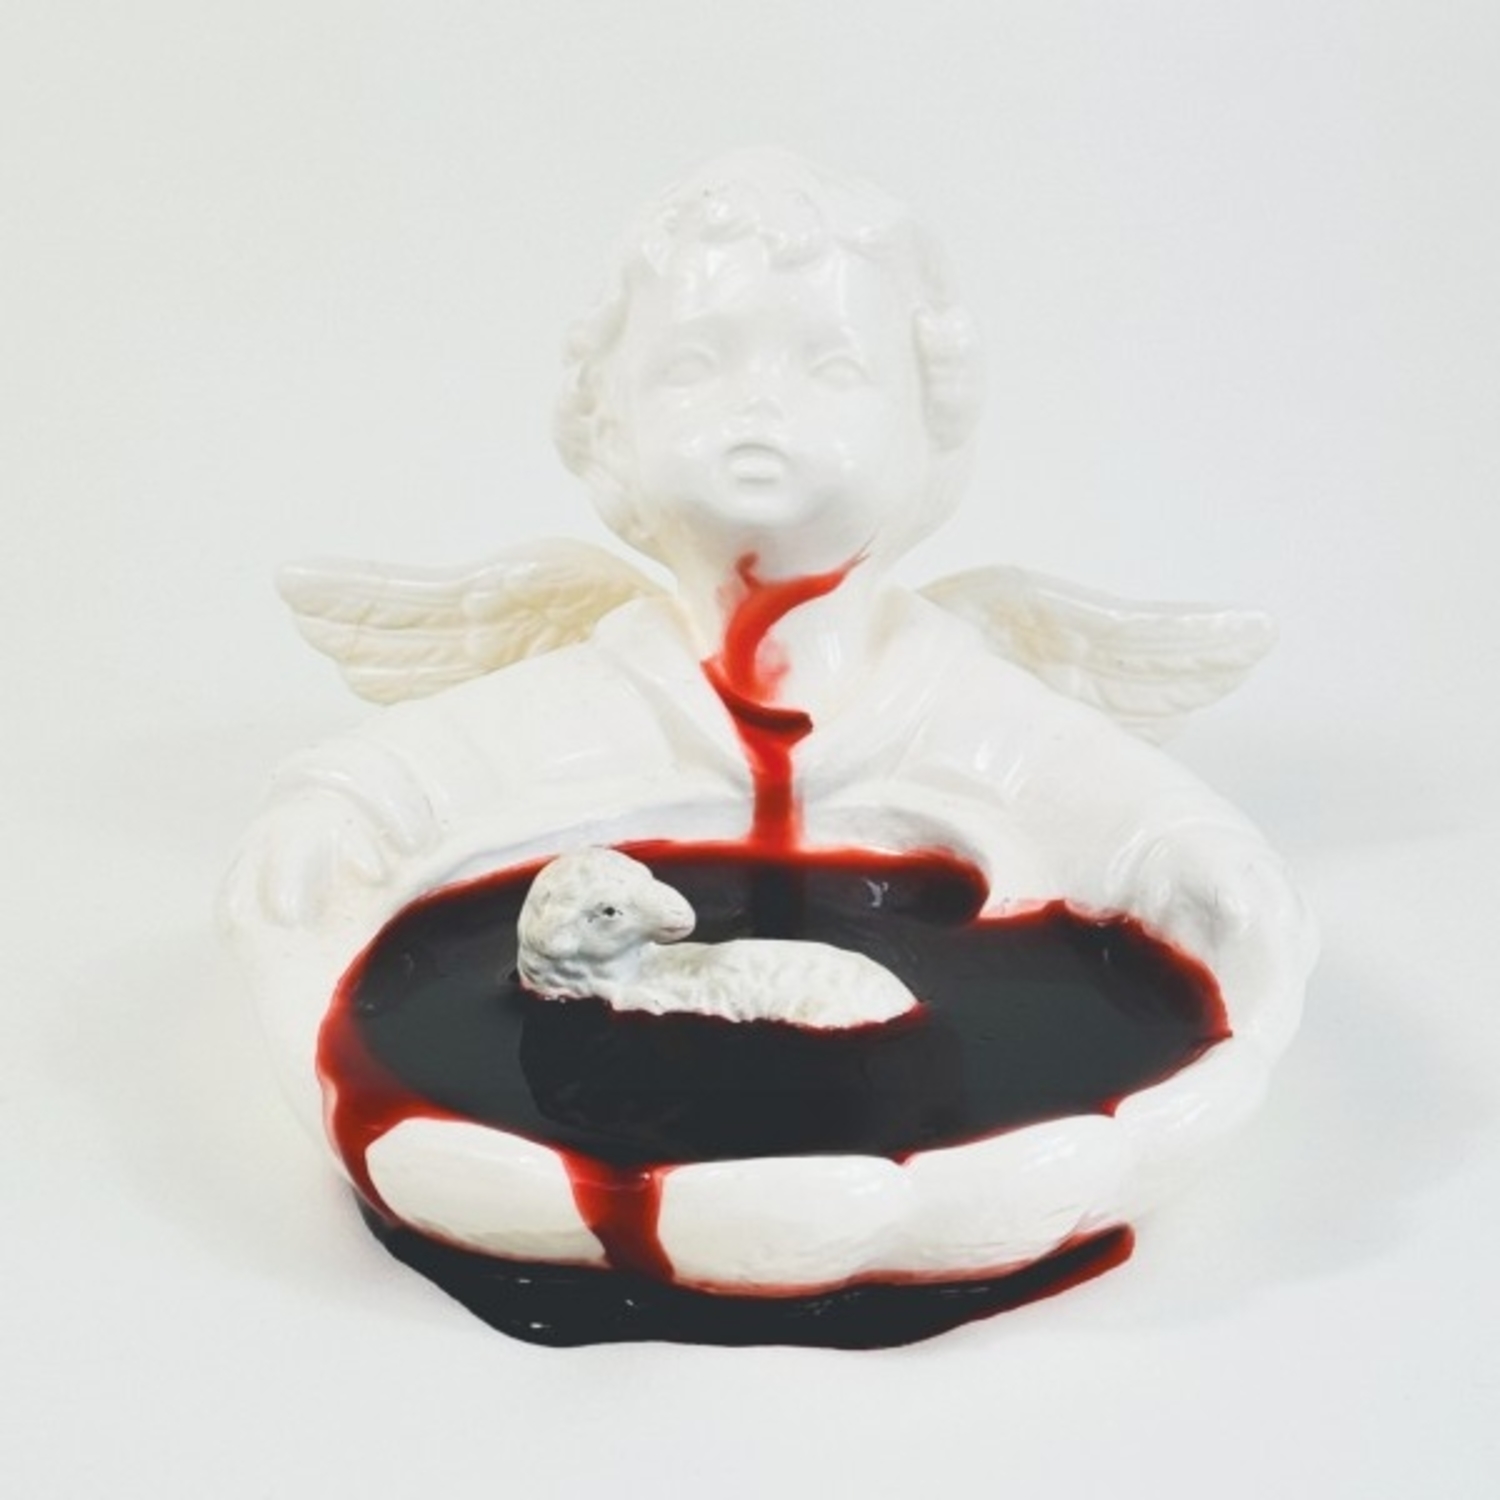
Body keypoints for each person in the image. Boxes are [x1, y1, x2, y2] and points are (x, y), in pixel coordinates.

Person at [226, 149, 1314, 1147]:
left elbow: (1083, 782)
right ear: (605, 427)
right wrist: (341, 810)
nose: (759, 402)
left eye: (830, 368)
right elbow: (456, 754)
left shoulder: (944, 693)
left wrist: (1187, 850)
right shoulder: (606, 688)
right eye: (695, 363)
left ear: (932, 426)